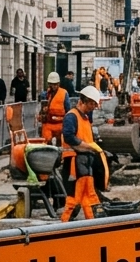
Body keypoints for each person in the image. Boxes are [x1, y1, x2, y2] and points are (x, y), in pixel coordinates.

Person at [60, 85, 107, 222]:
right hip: (74, 164)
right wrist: (86, 146)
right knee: (74, 198)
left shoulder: (85, 118)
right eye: (92, 103)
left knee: (89, 197)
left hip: (85, 164)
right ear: (83, 101)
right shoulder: (71, 117)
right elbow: (69, 136)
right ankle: (64, 227)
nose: (94, 107)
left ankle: (94, 225)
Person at [40, 71, 70, 144]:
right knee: (47, 143)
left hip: (60, 124)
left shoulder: (64, 93)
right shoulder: (45, 95)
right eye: (51, 84)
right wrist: (42, 114)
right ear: (49, 84)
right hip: (48, 124)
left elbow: (68, 110)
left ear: (59, 84)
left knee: (60, 144)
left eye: (55, 84)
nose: (53, 86)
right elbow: (41, 110)